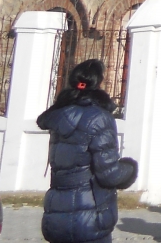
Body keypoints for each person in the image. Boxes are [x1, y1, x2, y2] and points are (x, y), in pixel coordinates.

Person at [37, 59, 138, 243]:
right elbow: (109, 174)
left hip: (56, 214)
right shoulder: (99, 118)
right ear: (98, 83)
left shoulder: (60, 115)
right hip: (90, 216)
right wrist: (130, 168)